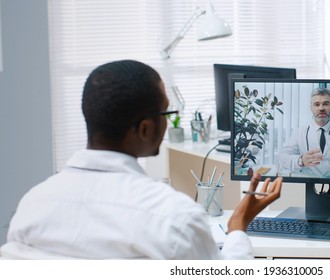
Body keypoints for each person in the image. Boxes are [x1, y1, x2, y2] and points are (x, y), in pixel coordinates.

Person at [0, 60, 282, 259]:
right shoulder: (174, 217)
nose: (169, 122)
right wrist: (237, 227)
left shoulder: (33, 203)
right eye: (166, 114)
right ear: (145, 128)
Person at [277, 87, 330, 178]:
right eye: (317, 104)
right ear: (311, 108)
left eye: (326, 104)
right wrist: (301, 160)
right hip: (308, 184)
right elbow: (283, 158)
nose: (321, 108)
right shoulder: (300, 132)